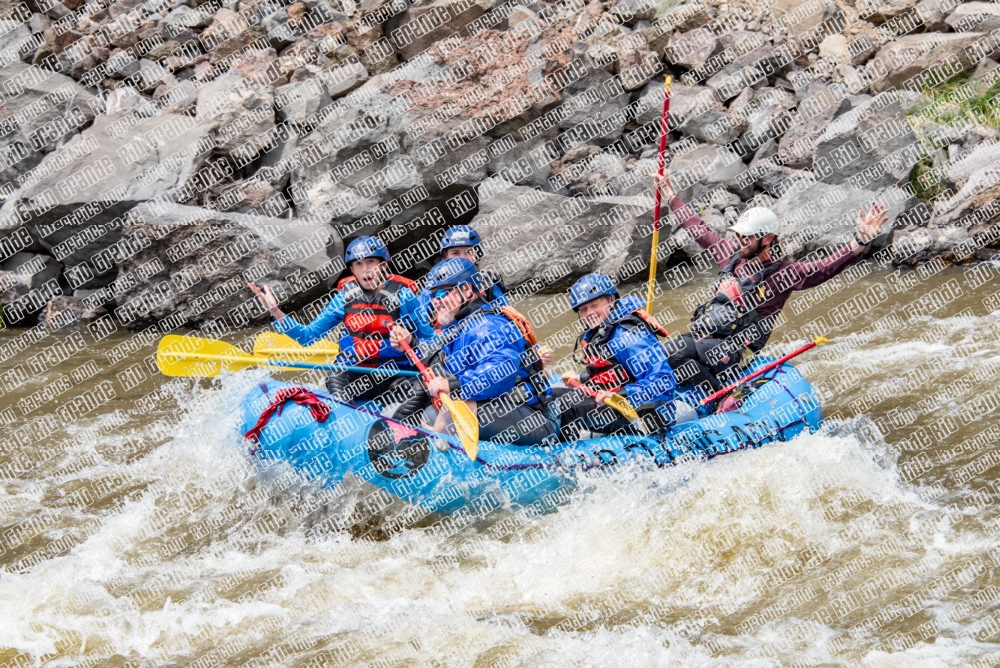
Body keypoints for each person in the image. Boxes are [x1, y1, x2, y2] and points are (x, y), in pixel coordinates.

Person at [653, 172, 889, 397]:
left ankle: (719, 397)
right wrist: (669, 193)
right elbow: (697, 229)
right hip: (707, 339)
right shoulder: (730, 254)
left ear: (766, 239)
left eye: (747, 237)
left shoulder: (782, 274)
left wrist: (860, 240)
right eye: (739, 235)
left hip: (736, 352)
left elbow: (825, 268)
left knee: (677, 355)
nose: (740, 241)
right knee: (663, 353)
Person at [248, 236, 434, 418]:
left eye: (371, 262)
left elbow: (431, 342)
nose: (365, 270)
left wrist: (411, 340)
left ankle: (398, 434)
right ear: (352, 269)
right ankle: (347, 423)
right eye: (358, 264)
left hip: (395, 376)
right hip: (355, 374)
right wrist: (276, 312)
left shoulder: (404, 297)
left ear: (383, 265)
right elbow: (307, 337)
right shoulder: (343, 299)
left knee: (421, 389)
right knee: (335, 376)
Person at [391, 257, 560, 446]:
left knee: (448, 417)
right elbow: (437, 358)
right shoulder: (457, 326)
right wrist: (411, 342)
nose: (435, 302)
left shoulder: (489, 326)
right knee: (431, 414)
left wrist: (453, 385)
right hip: (503, 409)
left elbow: (500, 374)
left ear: (466, 290)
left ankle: (451, 470)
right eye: (432, 296)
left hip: (536, 419)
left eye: (441, 292)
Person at [556, 273, 677, 440]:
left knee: (567, 406)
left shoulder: (628, 335)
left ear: (612, 300)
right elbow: (614, 371)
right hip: (617, 406)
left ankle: (562, 458)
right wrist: (581, 378)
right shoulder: (600, 330)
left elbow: (664, 382)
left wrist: (621, 395)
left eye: (594, 305)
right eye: (583, 309)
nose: (589, 313)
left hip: (646, 416)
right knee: (553, 395)